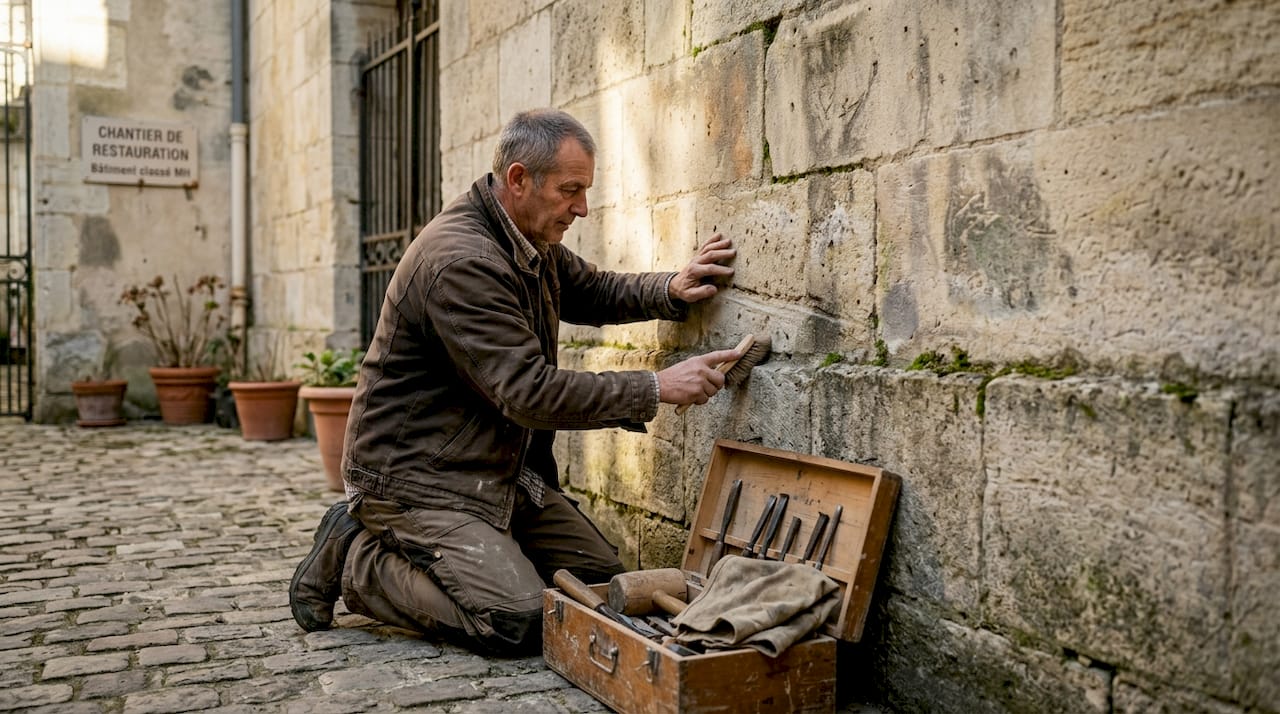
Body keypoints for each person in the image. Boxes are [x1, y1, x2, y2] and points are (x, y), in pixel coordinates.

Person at [288, 108, 743, 654]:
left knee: (598, 581)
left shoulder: (525, 233)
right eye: (570, 190)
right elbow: (528, 393)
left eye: (586, 190)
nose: (582, 207)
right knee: (518, 619)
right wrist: (656, 387)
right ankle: (357, 559)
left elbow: (590, 289)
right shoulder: (462, 262)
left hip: (495, 472)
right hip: (418, 478)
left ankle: (479, 551)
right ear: (519, 179)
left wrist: (670, 287)